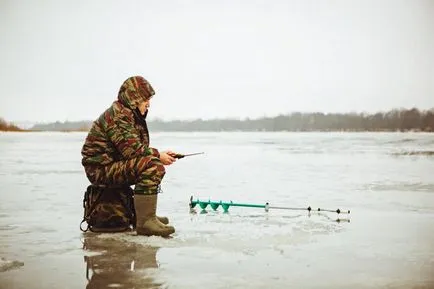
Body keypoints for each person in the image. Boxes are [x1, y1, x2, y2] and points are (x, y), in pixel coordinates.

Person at [81, 76, 177, 237]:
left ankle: (145, 216)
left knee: (151, 161)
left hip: (110, 165)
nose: (148, 104)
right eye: (146, 99)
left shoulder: (127, 113)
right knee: (152, 165)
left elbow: (135, 149)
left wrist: (158, 154)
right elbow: (131, 151)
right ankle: (146, 222)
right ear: (135, 98)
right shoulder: (118, 115)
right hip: (100, 170)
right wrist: (157, 156)